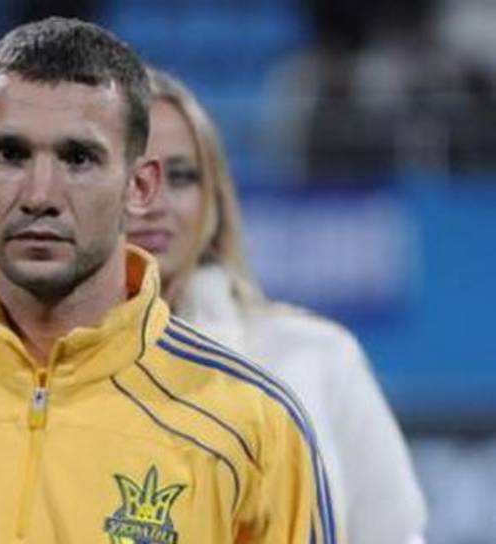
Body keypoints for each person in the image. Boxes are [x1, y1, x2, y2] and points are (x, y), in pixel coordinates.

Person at [0, 18, 337, 542]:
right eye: (11, 154)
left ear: (140, 187)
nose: (40, 194)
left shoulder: (254, 428)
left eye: (78, 158)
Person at [127, 67, 427, 544]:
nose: (156, 202)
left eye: (181, 176)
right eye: (133, 177)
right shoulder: (41, 376)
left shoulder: (317, 356)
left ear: (214, 200)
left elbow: (393, 534)